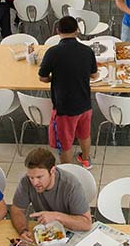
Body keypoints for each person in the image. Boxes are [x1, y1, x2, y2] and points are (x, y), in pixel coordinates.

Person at [37, 16, 98, 166]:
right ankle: (85, 159)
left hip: (65, 108)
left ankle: (68, 169)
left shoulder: (53, 52)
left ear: (58, 31)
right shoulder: (87, 51)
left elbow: (42, 78)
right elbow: (94, 75)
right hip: (85, 103)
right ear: (77, 31)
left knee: (65, 142)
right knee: (84, 135)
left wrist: (54, 78)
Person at [10, 147, 93, 239]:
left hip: (70, 230)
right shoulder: (26, 181)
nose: (34, 183)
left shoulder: (71, 185)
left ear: (52, 171)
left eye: (39, 177)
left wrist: (56, 216)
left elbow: (86, 223)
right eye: (31, 177)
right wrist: (23, 230)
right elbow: (16, 210)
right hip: (45, 231)